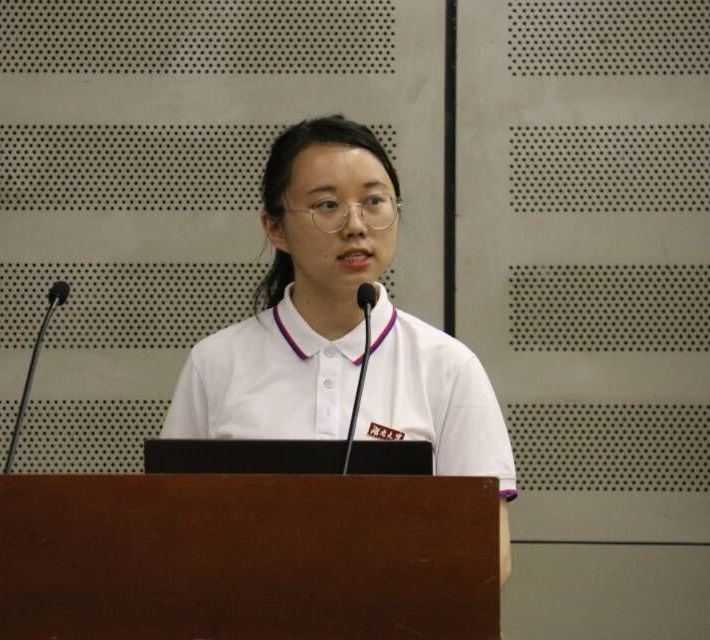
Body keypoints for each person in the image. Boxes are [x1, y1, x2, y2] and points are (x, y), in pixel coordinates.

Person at [161, 115, 516, 588]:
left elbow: (488, 555)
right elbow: (171, 532)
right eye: (327, 205)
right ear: (275, 228)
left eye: (374, 201)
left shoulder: (449, 368)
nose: (356, 226)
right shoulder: (215, 363)